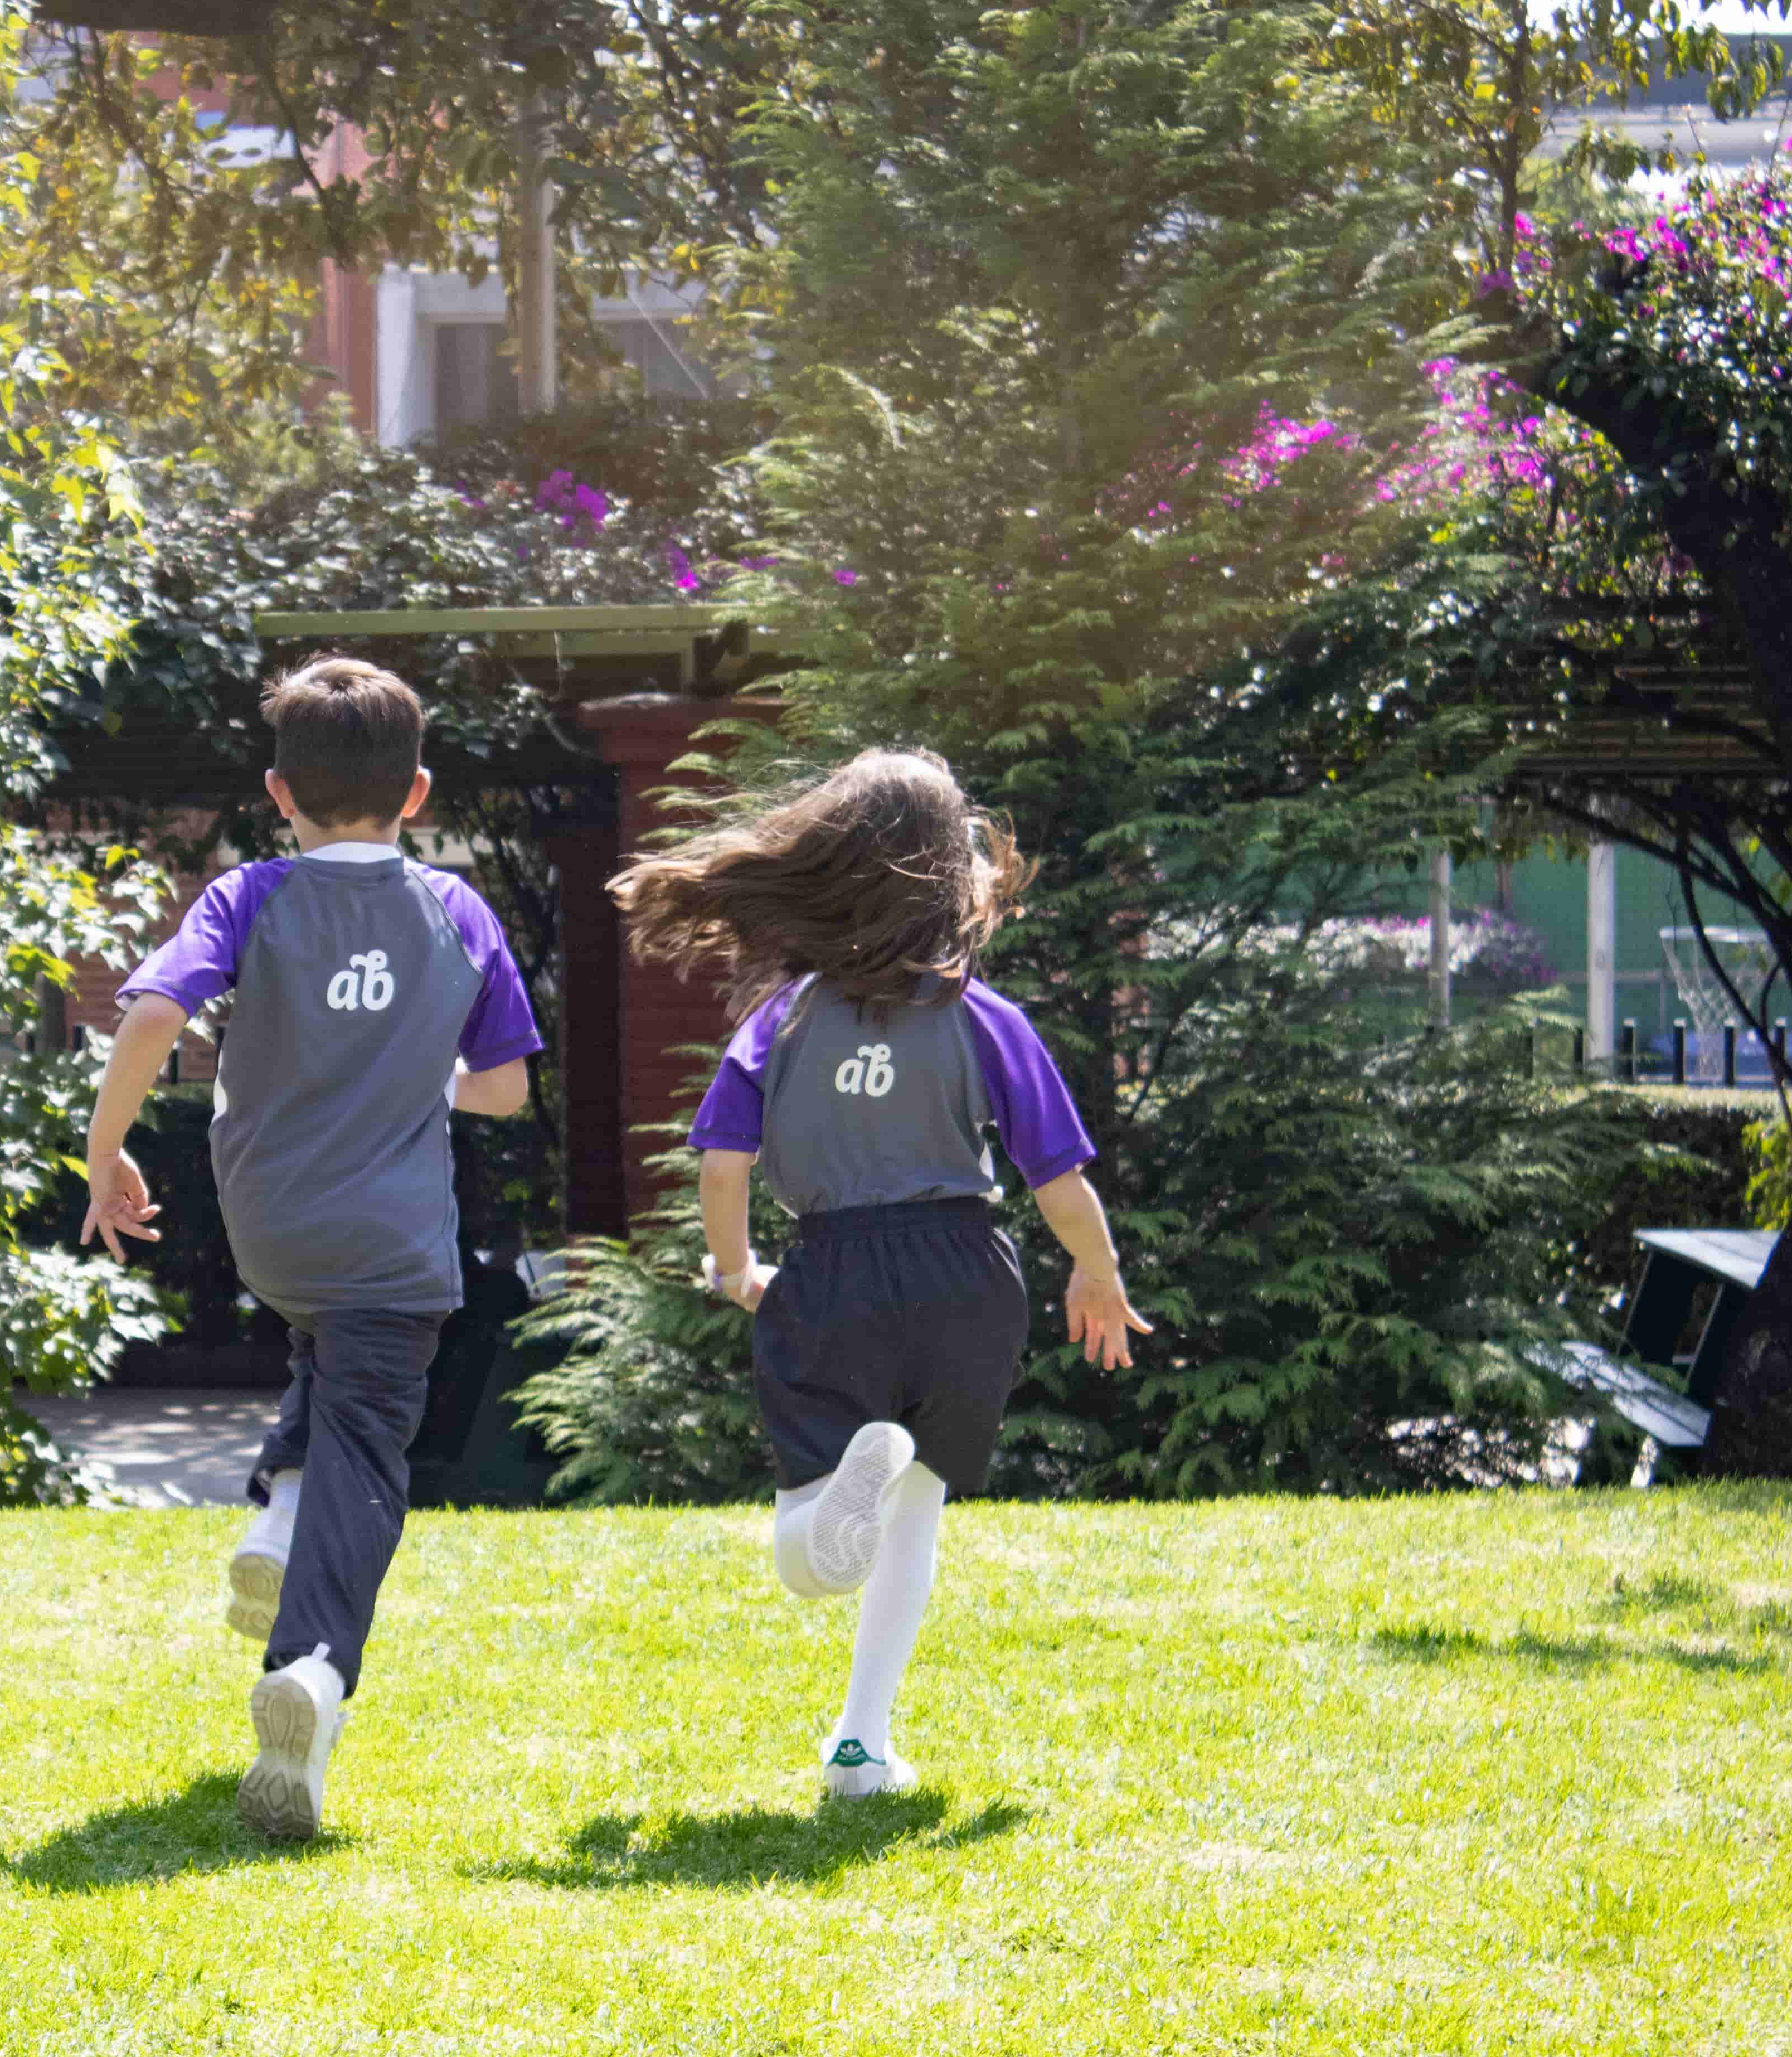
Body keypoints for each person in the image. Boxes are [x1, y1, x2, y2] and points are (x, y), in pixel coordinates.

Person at [614, 746, 1148, 1800]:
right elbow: (1059, 1177)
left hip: (833, 1272)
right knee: (916, 1513)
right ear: (953, 878)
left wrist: (734, 1272)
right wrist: (1098, 1274)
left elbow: (723, 1163)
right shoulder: (985, 1016)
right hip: (965, 1273)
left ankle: (836, 1501)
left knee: (806, 1555)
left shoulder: (784, 1019)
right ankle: (862, 1745)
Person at [82, 657, 542, 1840]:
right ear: (420, 791)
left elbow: (147, 1013)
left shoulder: (249, 895)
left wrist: (107, 1151)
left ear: (279, 793)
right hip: (392, 1238)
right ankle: (315, 1673)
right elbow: (501, 1090)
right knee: (369, 1453)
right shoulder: (458, 912)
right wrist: (416, 1069)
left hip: (271, 1230)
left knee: (323, 1359)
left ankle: (276, 1524)